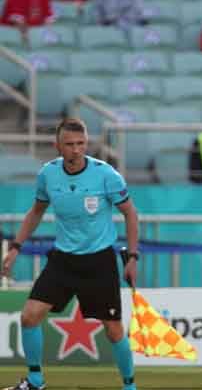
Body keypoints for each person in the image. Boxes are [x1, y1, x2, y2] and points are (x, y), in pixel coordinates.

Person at [1, 118, 140, 390]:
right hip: (63, 260)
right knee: (29, 316)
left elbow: (130, 214)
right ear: (57, 146)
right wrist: (15, 247)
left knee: (113, 331)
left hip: (99, 261)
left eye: (81, 144)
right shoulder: (48, 174)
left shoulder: (106, 175)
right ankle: (35, 381)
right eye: (70, 144)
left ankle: (129, 386)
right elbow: (36, 211)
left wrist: (133, 256)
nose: (76, 150)